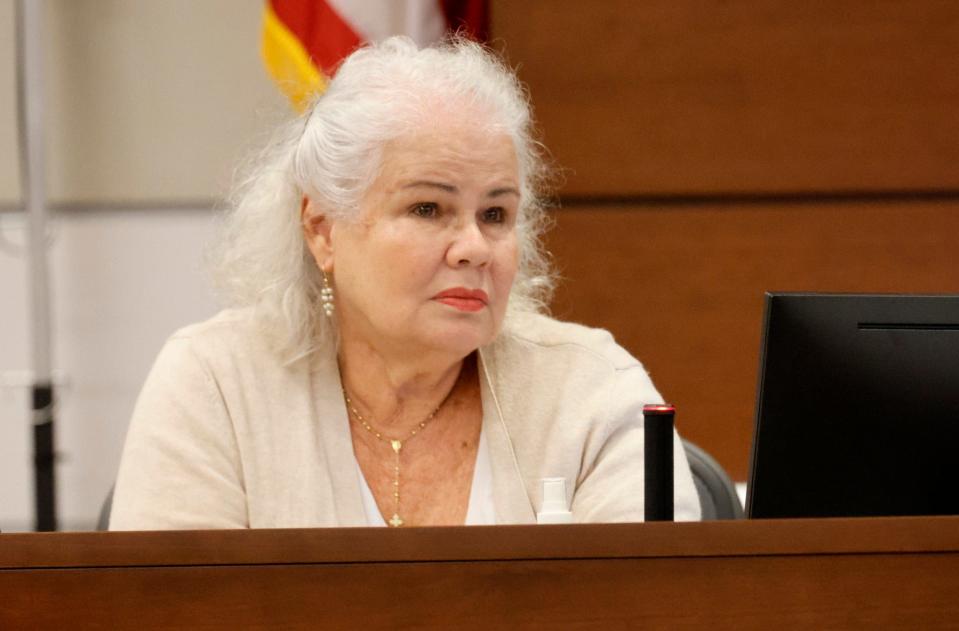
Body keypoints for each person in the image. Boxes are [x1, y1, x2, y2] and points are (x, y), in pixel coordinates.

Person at [109, 36, 700, 530]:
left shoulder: (594, 392)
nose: (473, 247)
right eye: (427, 209)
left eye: (495, 215)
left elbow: (663, 608)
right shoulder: (215, 386)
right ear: (322, 230)